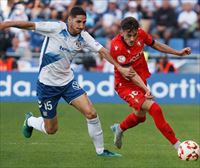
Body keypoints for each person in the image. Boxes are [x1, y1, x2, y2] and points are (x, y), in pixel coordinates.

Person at [0, 6, 135, 157]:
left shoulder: (84, 36)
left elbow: (102, 51)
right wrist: (7, 24)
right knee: (51, 129)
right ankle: (30, 120)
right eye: (78, 22)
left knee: (91, 113)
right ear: (69, 20)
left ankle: (101, 151)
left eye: (84, 22)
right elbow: (30, 25)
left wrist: (119, 67)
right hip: (47, 85)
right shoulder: (56, 28)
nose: (81, 26)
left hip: (67, 82)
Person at [109, 17, 191, 151]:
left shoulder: (141, 34)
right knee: (155, 109)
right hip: (125, 84)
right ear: (122, 32)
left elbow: (156, 44)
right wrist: (146, 89)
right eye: (128, 35)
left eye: (134, 35)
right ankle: (178, 146)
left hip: (140, 78)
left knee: (140, 117)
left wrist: (178, 53)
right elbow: (130, 73)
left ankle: (119, 128)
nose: (132, 39)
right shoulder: (117, 46)